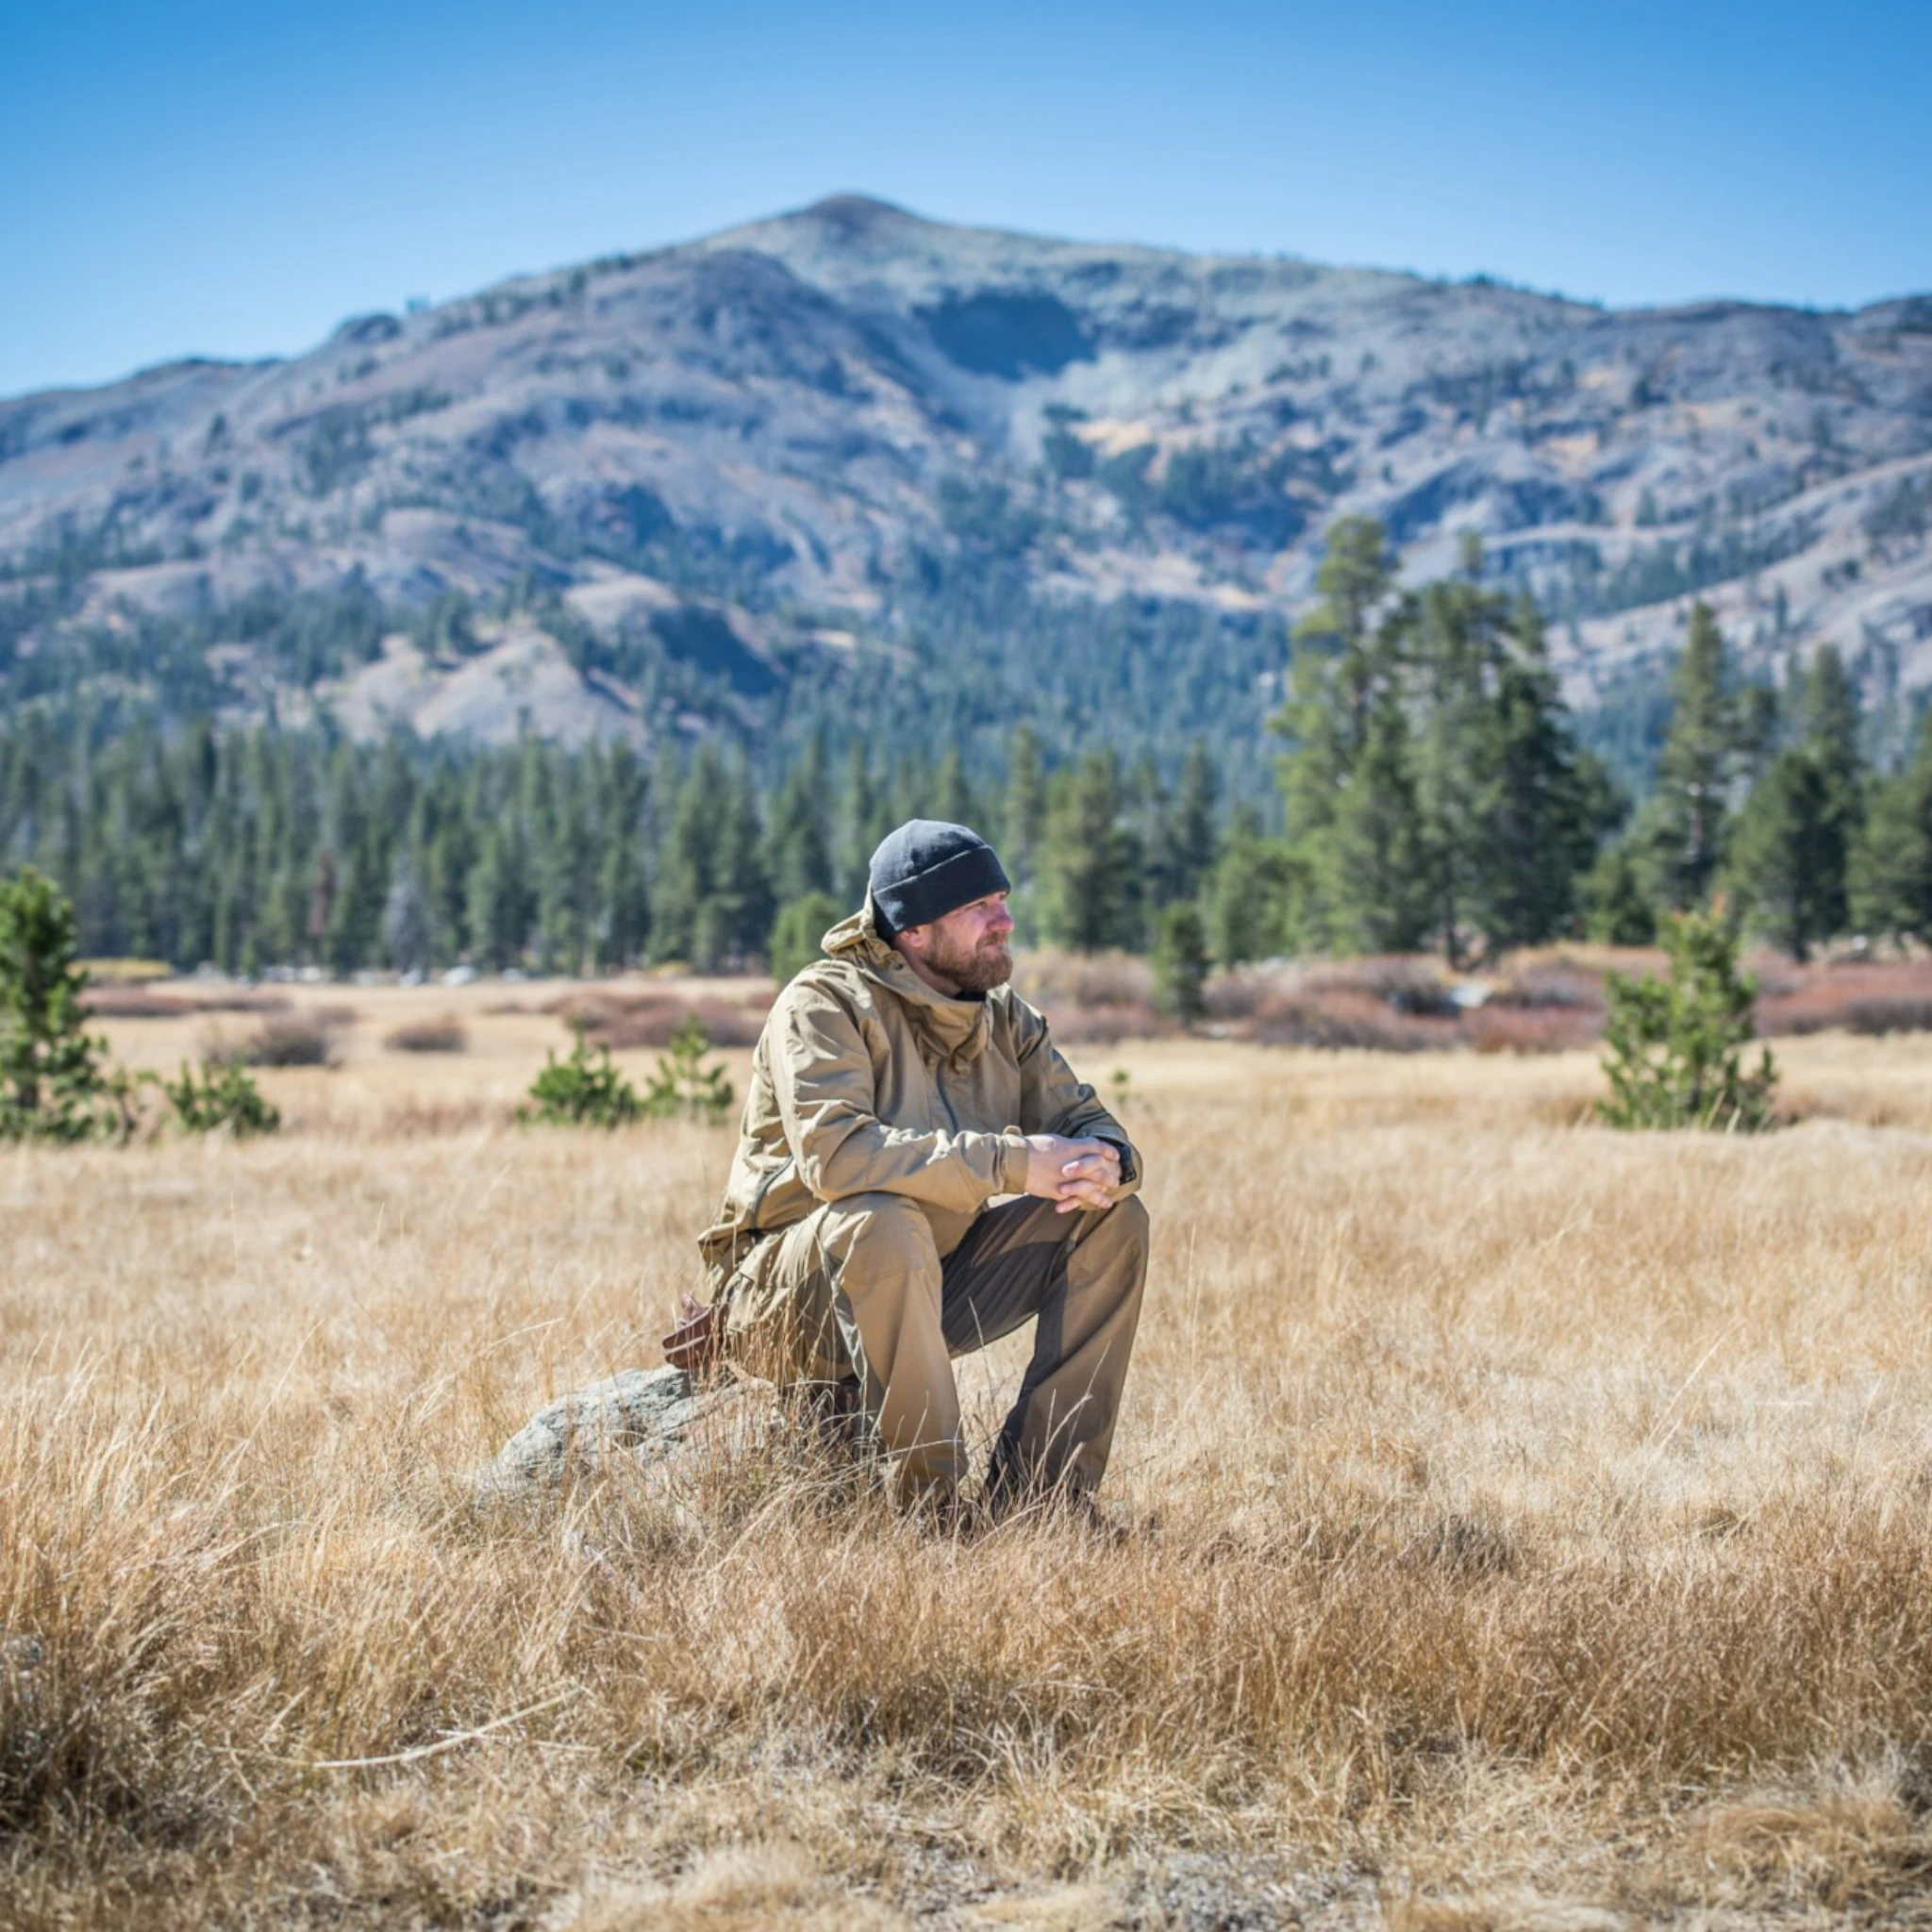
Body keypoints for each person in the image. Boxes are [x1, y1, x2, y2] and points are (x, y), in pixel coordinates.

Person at [669, 818, 1148, 1519]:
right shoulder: (823, 1005)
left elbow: (1090, 1123)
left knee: (1112, 1220)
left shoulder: (1005, 1020)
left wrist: (1106, 1163)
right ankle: (927, 1507)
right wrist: (1015, 1163)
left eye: (1003, 900)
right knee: (880, 1218)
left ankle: (1045, 1499)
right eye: (977, 907)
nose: (1004, 921)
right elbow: (838, 1158)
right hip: (787, 1297)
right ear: (913, 931)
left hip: (931, 1277)